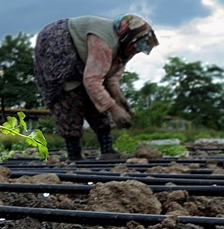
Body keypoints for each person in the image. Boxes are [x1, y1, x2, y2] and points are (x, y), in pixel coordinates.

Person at [32, 14, 158, 161]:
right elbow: (92, 80)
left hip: (83, 61)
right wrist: (114, 109)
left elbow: (110, 80)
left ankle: (107, 150)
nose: (135, 52)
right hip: (59, 46)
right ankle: (74, 155)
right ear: (128, 38)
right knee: (70, 97)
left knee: (96, 97)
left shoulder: (122, 50)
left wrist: (122, 103)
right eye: (136, 47)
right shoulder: (105, 42)